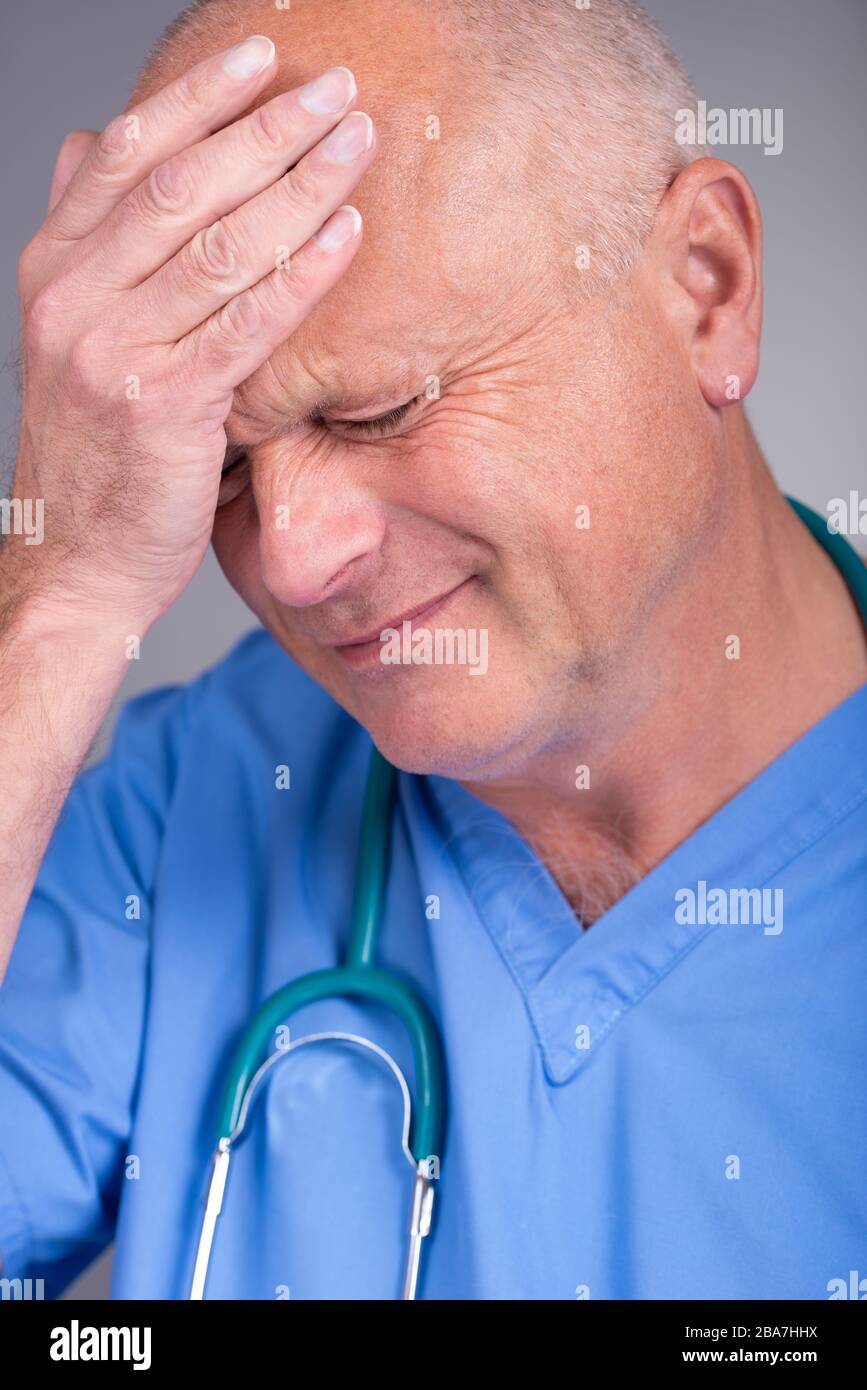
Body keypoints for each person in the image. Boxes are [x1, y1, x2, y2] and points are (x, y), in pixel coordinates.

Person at [1, 0, 865, 1300]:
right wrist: (58, 597)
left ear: (708, 288)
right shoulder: (188, 801)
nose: (290, 558)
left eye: (380, 408)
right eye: (225, 466)